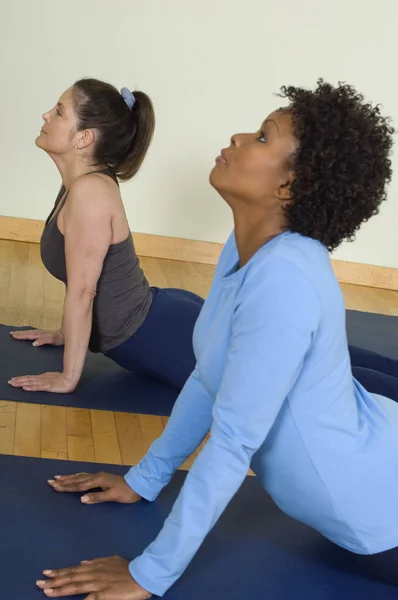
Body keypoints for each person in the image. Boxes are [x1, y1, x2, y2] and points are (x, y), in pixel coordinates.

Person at [35, 80, 398, 599]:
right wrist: (145, 478)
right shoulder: (248, 248)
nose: (238, 136)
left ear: (289, 188)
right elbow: (210, 375)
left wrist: (148, 573)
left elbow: (232, 442)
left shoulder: (285, 277)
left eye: (262, 138)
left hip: (381, 509)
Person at [7, 78, 204, 394]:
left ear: (83, 137)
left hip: (163, 336)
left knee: (265, 390)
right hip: (156, 317)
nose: (45, 116)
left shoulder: (89, 194)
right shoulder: (78, 183)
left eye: (58, 112)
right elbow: (82, 275)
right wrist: (66, 332)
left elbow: (84, 291)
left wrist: (67, 378)